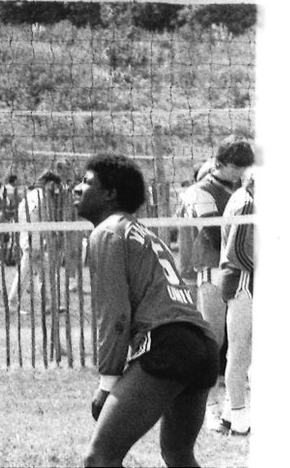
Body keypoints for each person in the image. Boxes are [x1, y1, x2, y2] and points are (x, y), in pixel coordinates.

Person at [73, 153, 219, 468]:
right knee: (178, 455)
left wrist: (107, 383)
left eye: (85, 183)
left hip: (169, 343)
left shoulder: (110, 231)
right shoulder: (143, 233)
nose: (76, 189)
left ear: (110, 193)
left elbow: (115, 318)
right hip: (202, 345)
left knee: (99, 459)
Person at [184, 134, 254, 431]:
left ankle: (231, 410)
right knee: (213, 341)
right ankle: (208, 408)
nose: (240, 173)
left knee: (239, 344)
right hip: (212, 269)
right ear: (220, 163)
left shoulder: (243, 187)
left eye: (244, 167)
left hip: (238, 271)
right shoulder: (200, 190)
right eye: (236, 167)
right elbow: (214, 232)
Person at [217, 169, 255, 436]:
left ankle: (230, 415)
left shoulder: (243, 197)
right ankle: (240, 417)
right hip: (242, 282)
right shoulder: (247, 202)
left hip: (241, 281)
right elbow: (237, 250)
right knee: (240, 351)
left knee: (241, 352)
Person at [8, 170, 63, 312]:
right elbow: (45, 218)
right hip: (35, 241)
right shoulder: (42, 197)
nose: (54, 191)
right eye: (54, 186)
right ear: (50, 183)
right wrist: (51, 234)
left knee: (44, 273)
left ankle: (49, 304)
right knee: (26, 274)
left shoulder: (29, 196)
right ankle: (13, 303)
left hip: (28, 238)